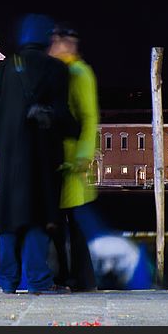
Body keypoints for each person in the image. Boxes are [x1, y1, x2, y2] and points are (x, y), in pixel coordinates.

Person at [0, 14, 77, 294]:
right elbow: (62, 116)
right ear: (45, 38)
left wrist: (4, 142)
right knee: (38, 218)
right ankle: (38, 280)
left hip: (11, 160)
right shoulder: (56, 70)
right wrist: (74, 128)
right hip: (42, 158)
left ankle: (7, 282)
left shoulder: (6, 68)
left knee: (10, 221)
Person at [49, 22, 99, 291]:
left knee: (70, 224)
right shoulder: (63, 70)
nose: (52, 47)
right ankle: (69, 278)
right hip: (60, 161)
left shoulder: (79, 72)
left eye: (55, 43)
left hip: (72, 163)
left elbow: (89, 117)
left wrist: (82, 156)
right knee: (60, 222)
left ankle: (77, 279)